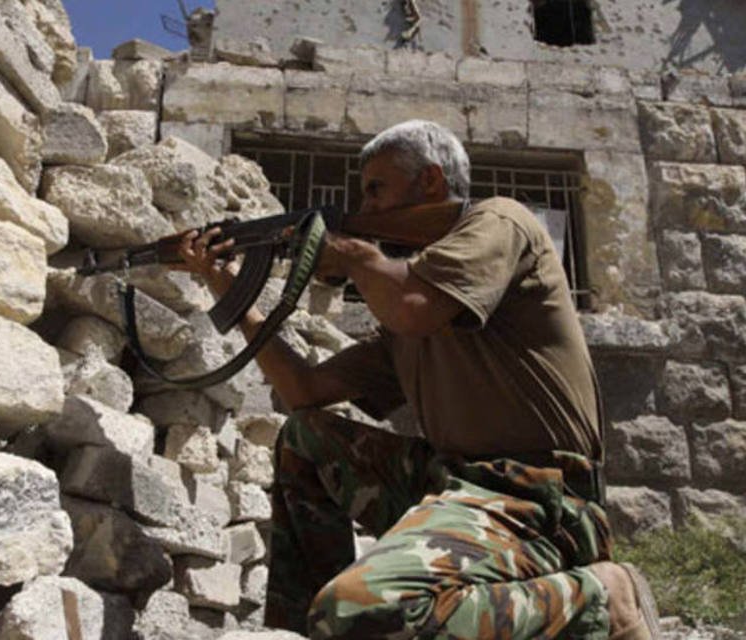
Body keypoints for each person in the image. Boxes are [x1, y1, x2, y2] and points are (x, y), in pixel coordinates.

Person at [175, 120, 660, 640]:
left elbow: (414, 307)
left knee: (361, 610)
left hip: (542, 498)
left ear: (430, 181)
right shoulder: (408, 315)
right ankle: (302, 629)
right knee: (306, 438)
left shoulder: (501, 221)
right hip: (456, 485)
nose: (365, 208)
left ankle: (604, 602)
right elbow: (303, 393)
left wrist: (354, 256)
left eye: (376, 188)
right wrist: (228, 288)